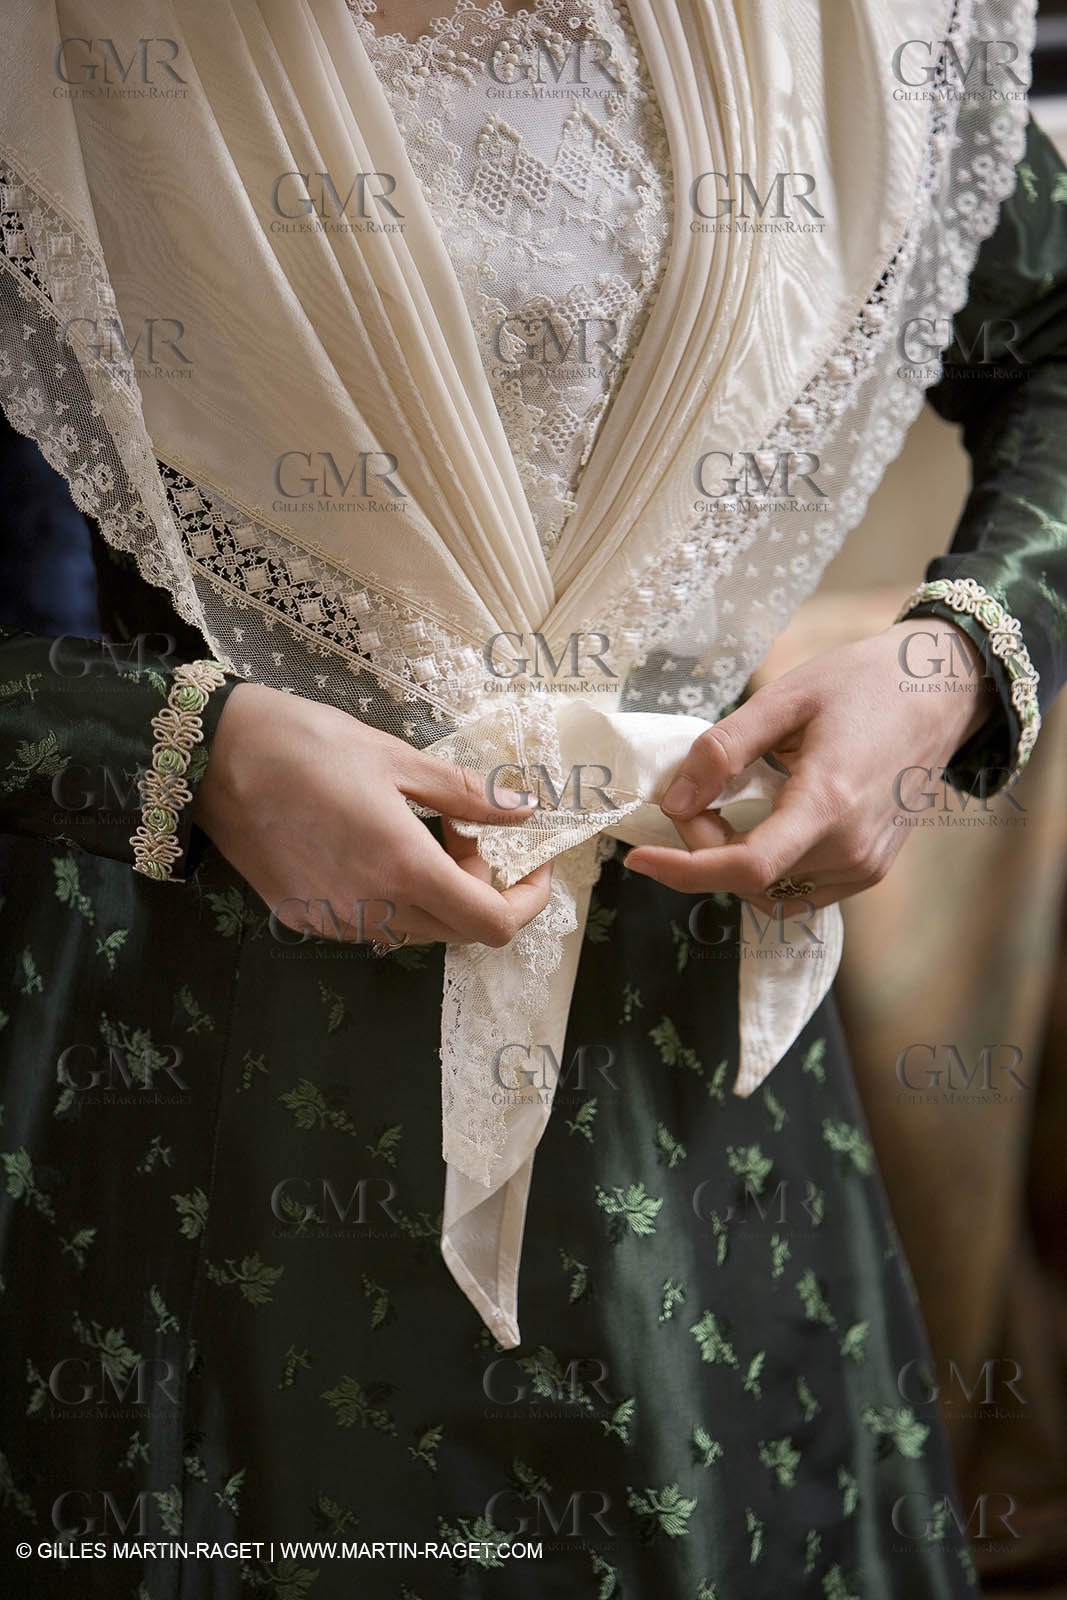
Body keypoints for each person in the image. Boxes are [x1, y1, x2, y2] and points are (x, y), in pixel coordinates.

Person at [1, 1, 1064, 1595]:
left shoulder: (824, 29)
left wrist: (955, 659)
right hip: (223, 1082)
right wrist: (181, 747)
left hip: (702, 1088)